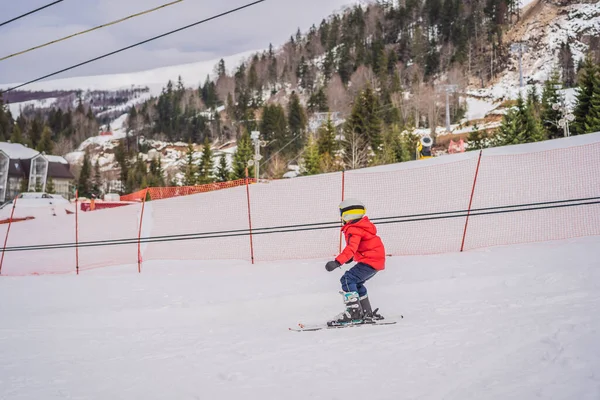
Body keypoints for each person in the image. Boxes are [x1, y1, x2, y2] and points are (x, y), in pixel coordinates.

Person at [325, 198, 386, 326]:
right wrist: (351, 258)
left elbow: (351, 248)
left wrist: (337, 262)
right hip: (375, 261)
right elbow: (362, 245)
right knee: (357, 283)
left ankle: (354, 313)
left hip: (370, 261)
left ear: (347, 214)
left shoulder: (354, 229)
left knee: (347, 280)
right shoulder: (362, 226)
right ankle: (366, 312)